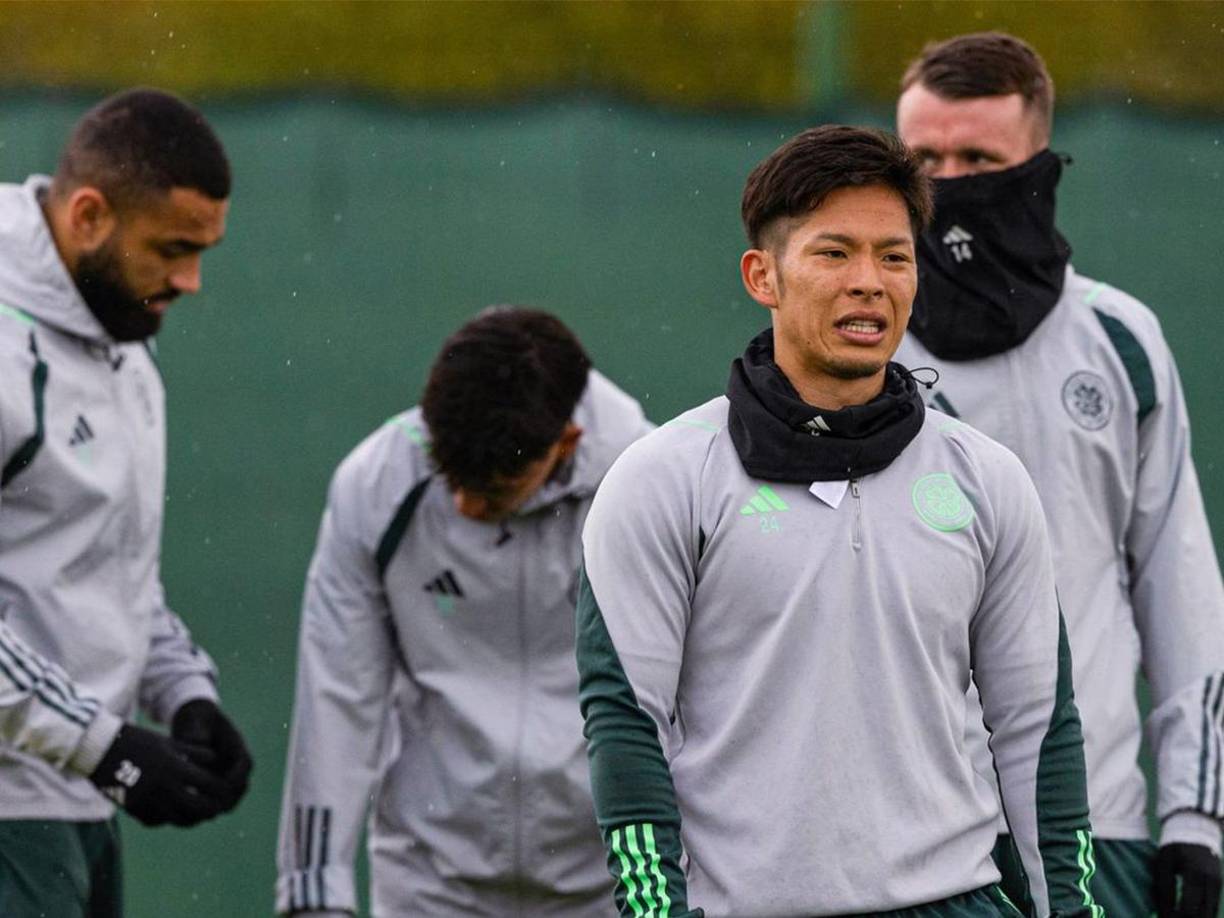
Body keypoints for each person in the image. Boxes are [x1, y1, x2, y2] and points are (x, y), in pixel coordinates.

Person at [578, 124, 1101, 917]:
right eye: (833, 253)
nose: (870, 282)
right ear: (764, 275)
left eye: (894, 256)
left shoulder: (986, 479)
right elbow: (626, 727)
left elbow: (1037, 728)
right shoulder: (661, 480)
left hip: (956, 900)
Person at [895, 31, 1224, 918]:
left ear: (1037, 162)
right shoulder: (849, 348)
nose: (950, 183)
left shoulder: (1120, 341)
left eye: (978, 157)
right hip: (902, 839)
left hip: (1099, 825)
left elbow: (1177, 582)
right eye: (924, 157)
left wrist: (1195, 809)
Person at [275, 307, 653, 917]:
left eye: (494, 489)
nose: (464, 505)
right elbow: (337, 700)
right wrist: (314, 894)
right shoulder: (373, 486)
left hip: (612, 886)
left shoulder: (652, 488)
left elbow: (704, 697)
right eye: (451, 476)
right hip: (430, 883)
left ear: (567, 444)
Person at [0, 89, 253, 917]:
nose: (191, 281)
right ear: (88, 215)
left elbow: (102, 568)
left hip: (74, 804)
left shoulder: (124, 346)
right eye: (173, 250)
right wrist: (102, 745)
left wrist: (182, 689)